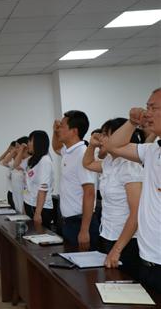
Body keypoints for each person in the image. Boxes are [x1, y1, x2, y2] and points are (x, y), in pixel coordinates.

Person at [105, 88, 161, 293]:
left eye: (152, 108)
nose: (146, 113)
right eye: (146, 108)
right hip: (148, 258)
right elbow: (113, 146)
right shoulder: (153, 150)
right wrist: (131, 122)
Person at [83, 118, 143, 279]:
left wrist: (117, 249)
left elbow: (136, 213)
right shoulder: (109, 161)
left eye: (105, 134)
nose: (101, 138)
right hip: (108, 233)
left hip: (127, 241)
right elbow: (87, 163)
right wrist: (92, 145)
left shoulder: (130, 166)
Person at [52, 110, 100, 250]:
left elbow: (89, 192)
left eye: (62, 126)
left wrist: (84, 230)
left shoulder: (83, 154)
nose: (59, 128)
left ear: (74, 131)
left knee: (86, 269)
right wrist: (54, 131)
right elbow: (56, 148)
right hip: (69, 221)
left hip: (81, 222)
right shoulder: (68, 151)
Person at [14, 131, 54, 228]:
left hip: (40, 208)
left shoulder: (45, 160)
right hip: (30, 203)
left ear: (38, 142)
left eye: (30, 141)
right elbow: (16, 166)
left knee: (39, 237)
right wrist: (21, 150)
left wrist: (37, 213)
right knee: (30, 235)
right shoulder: (32, 160)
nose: (28, 144)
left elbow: (43, 189)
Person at [0, 136, 29, 213]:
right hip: (15, 195)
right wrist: (13, 151)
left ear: (25, 147)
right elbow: (4, 162)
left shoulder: (29, 161)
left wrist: (21, 149)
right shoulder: (19, 161)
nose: (16, 150)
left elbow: (26, 187)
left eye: (17, 147)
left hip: (24, 195)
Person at [0, 141, 17, 209]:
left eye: (12, 149)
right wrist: (7, 151)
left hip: (19, 194)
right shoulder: (11, 162)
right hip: (10, 192)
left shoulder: (20, 162)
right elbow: (0, 161)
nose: (11, 151)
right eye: (10, 149)